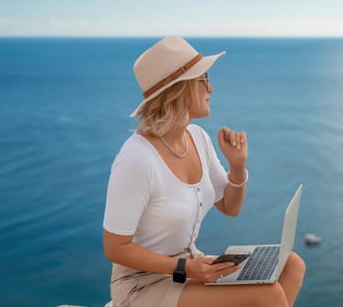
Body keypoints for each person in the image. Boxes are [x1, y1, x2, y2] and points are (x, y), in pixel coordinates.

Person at [102, 37, 305, 307]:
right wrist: (184, 268)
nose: (211, 87)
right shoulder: (136, 160)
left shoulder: (197, 138)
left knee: (291, 264)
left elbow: (229, 207)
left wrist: (237, 166)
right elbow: (115, 248)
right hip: (142, 285)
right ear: (180, 89)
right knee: (266, 295)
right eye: (203, 78)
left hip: (188, 268)